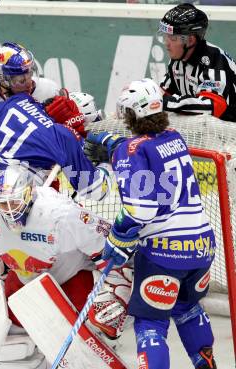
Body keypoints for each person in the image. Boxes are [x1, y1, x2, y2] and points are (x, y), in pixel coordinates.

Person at [87, 78, 217, 369]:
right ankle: (206, 362)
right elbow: (149, 148)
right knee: (186, 306)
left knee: (150, 321)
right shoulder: (175, 137)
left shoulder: (129, 151)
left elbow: (140, 210)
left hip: (164, 252)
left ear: (130, 114)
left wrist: (118, 237)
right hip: (202, 246)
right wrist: (113, 146)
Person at [0, 164, 131, 368]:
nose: (10, 211)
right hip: (25, 279)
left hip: (69, 278)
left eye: (15, 202)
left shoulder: (61, 214)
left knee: (85, 337)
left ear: (29, 194)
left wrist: (114, 288)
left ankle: (98, 333)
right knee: (11, 341)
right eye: (4, 204)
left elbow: (110, 244)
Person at [159, 3, 236, 122]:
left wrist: (166, 103)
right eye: (165, 36)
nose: (166, 43)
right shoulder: (177, 59)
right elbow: (162, 93)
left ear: (190, 40)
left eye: (173, 38)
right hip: (210, 131)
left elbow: (213, 106)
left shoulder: (214, 59)